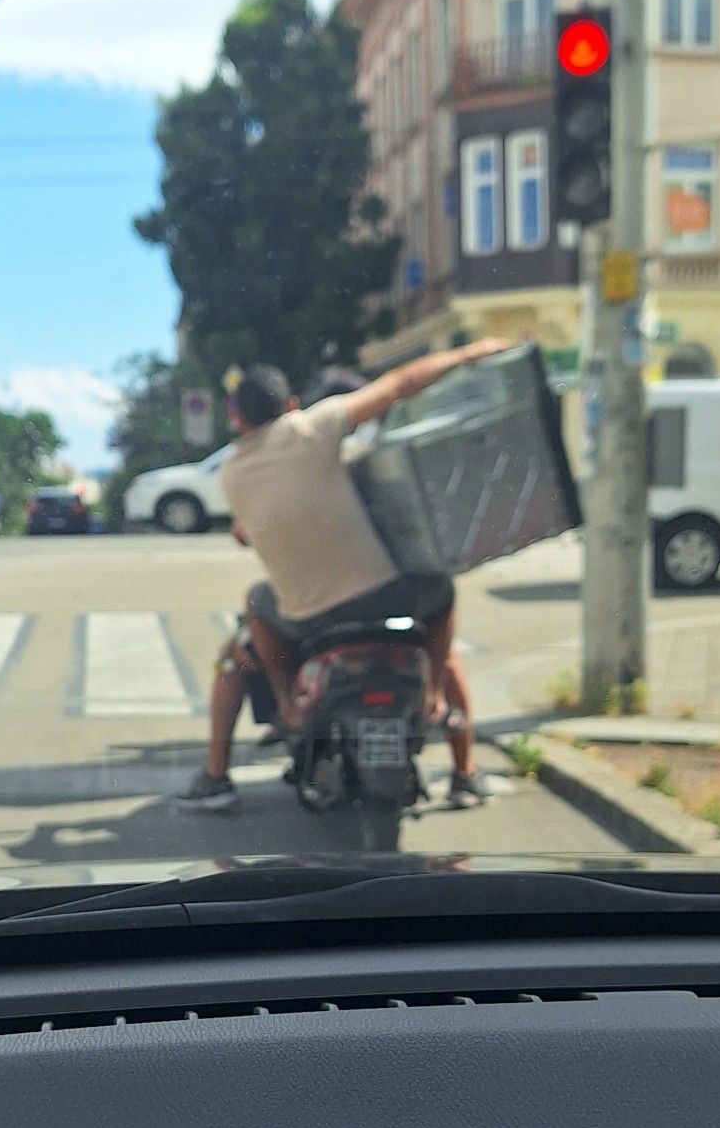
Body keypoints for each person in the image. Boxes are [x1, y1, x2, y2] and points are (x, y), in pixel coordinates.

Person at [177, 342, 508, 813]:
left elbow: (246, 534)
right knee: (442, 606)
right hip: (383, 600)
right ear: (291, 405)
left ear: (237, 419)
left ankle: (235, 757)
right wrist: (469, 353)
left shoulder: (230, 474)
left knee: (244, 630)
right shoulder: (316, 426)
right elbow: (400, 384)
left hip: (306, 623)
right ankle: (460, 765)